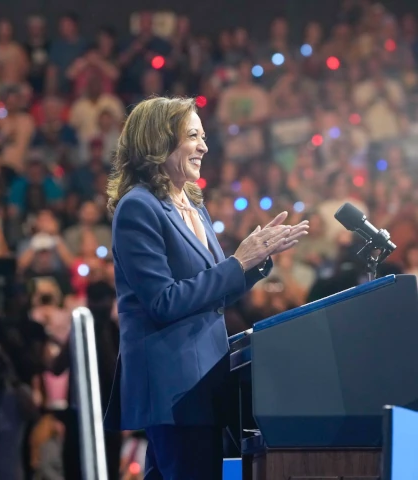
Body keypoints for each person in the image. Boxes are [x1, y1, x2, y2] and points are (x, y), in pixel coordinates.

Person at [103, 96, 308, 479]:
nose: (204, 146)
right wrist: (237, 262)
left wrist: (255, 261)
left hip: (206, 381)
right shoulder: (139, 207)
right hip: (174, 387)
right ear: (159, 141)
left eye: (203, 135)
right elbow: (164, 302)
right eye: (193, 136)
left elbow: (212, 296)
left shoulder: (194, 206)